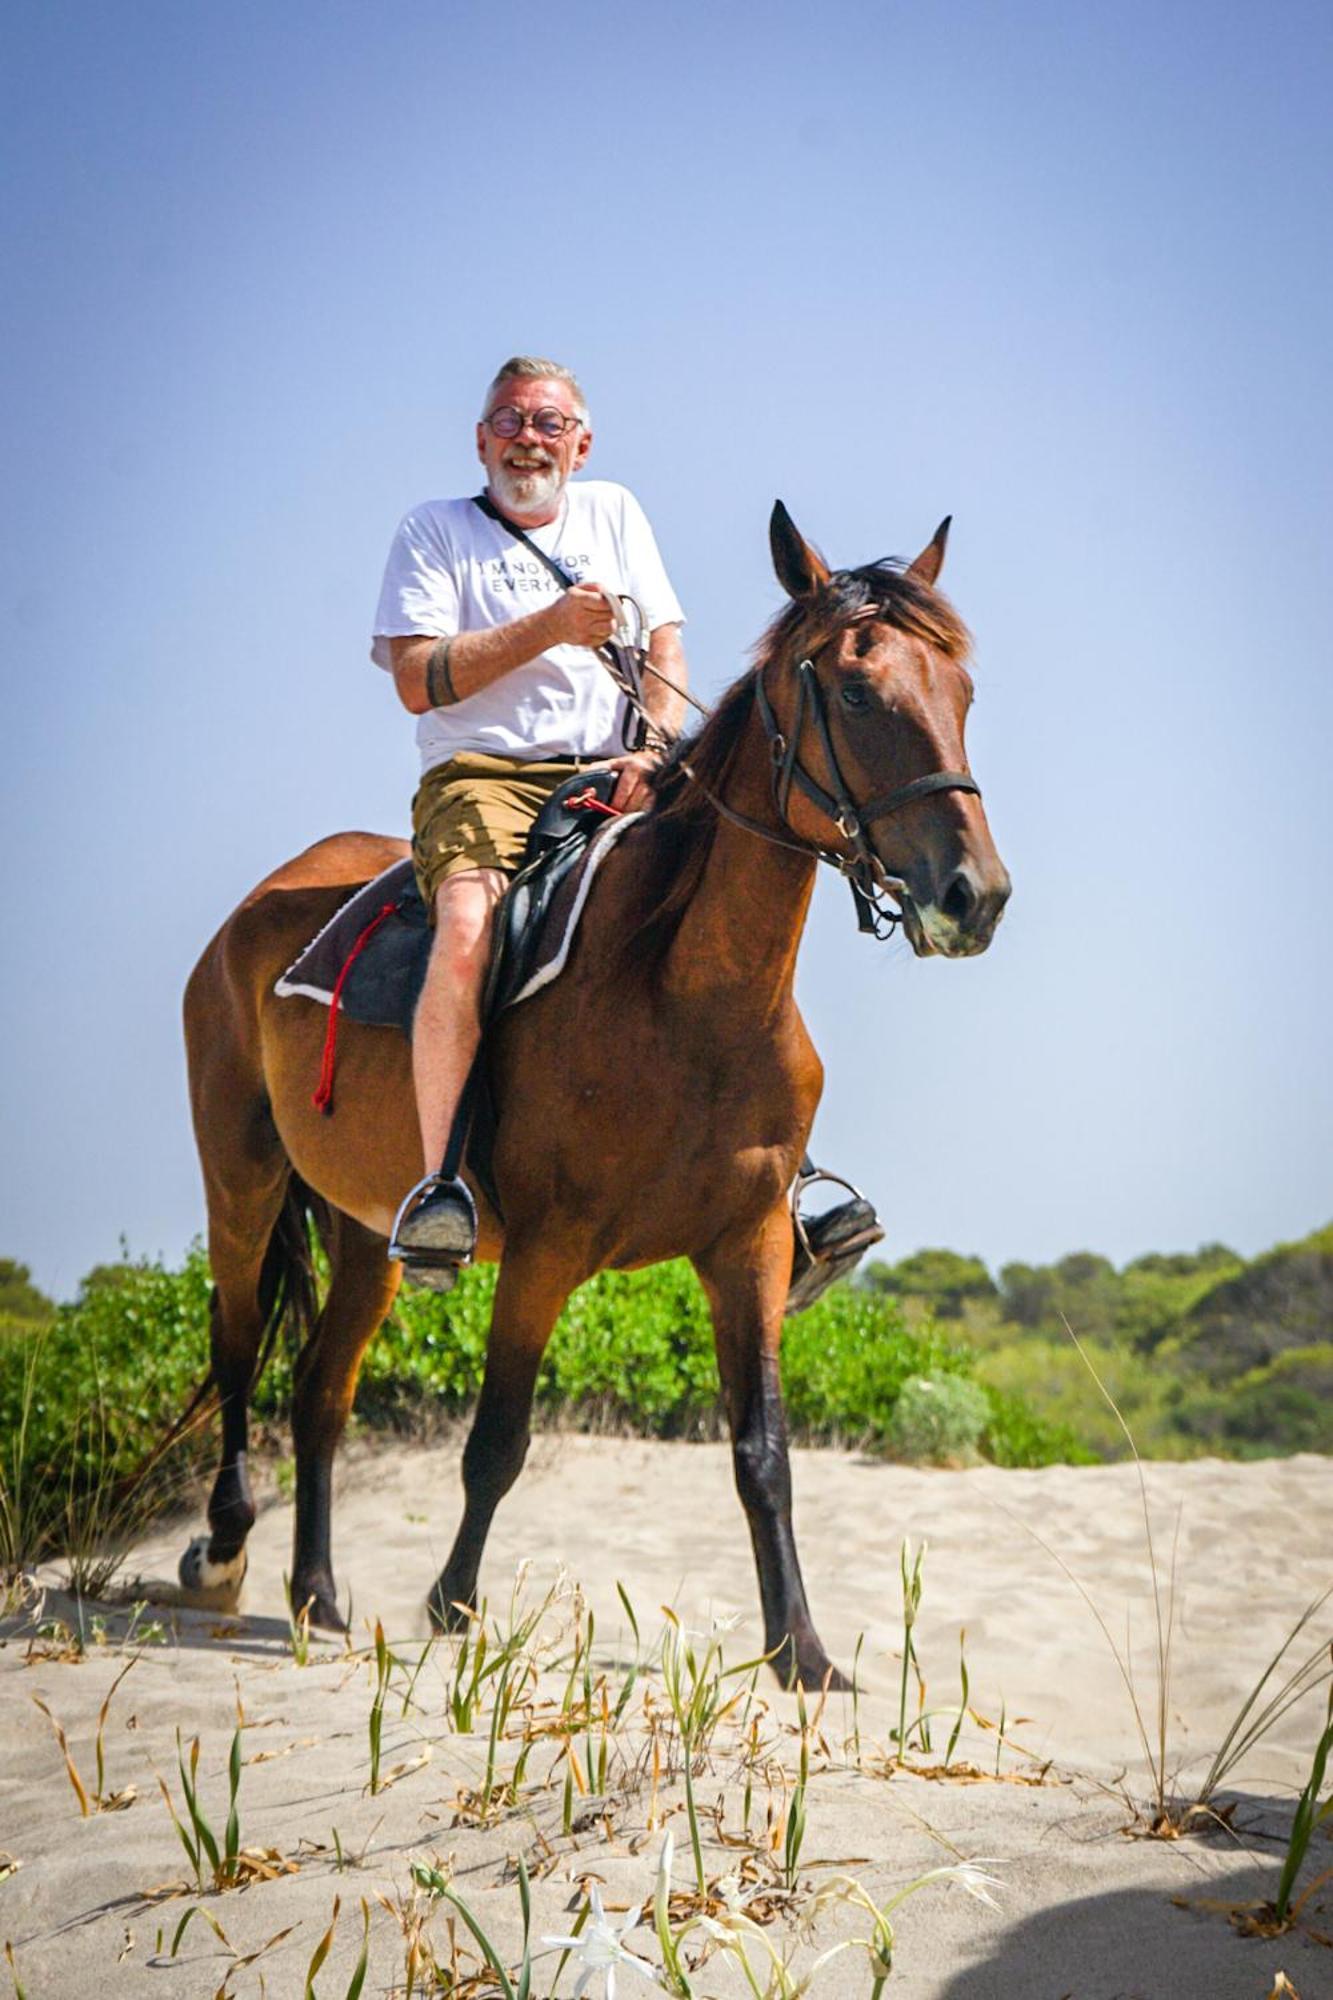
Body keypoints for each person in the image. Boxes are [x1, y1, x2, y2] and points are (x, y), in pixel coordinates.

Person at [372, 355, 688, 1287]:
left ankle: (774, 1180)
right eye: (508, 420)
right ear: (480, 440)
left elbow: (664, 639)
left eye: (549, 423)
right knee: (467, 926)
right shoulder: (433, 533)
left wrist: (658, 744)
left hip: (615, 769)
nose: (528, 437)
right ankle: (437, 1189)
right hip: (484, 778)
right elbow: (415, 679)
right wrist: (550, 625)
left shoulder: (616, 512)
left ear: (581, 445)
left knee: (735, 889)